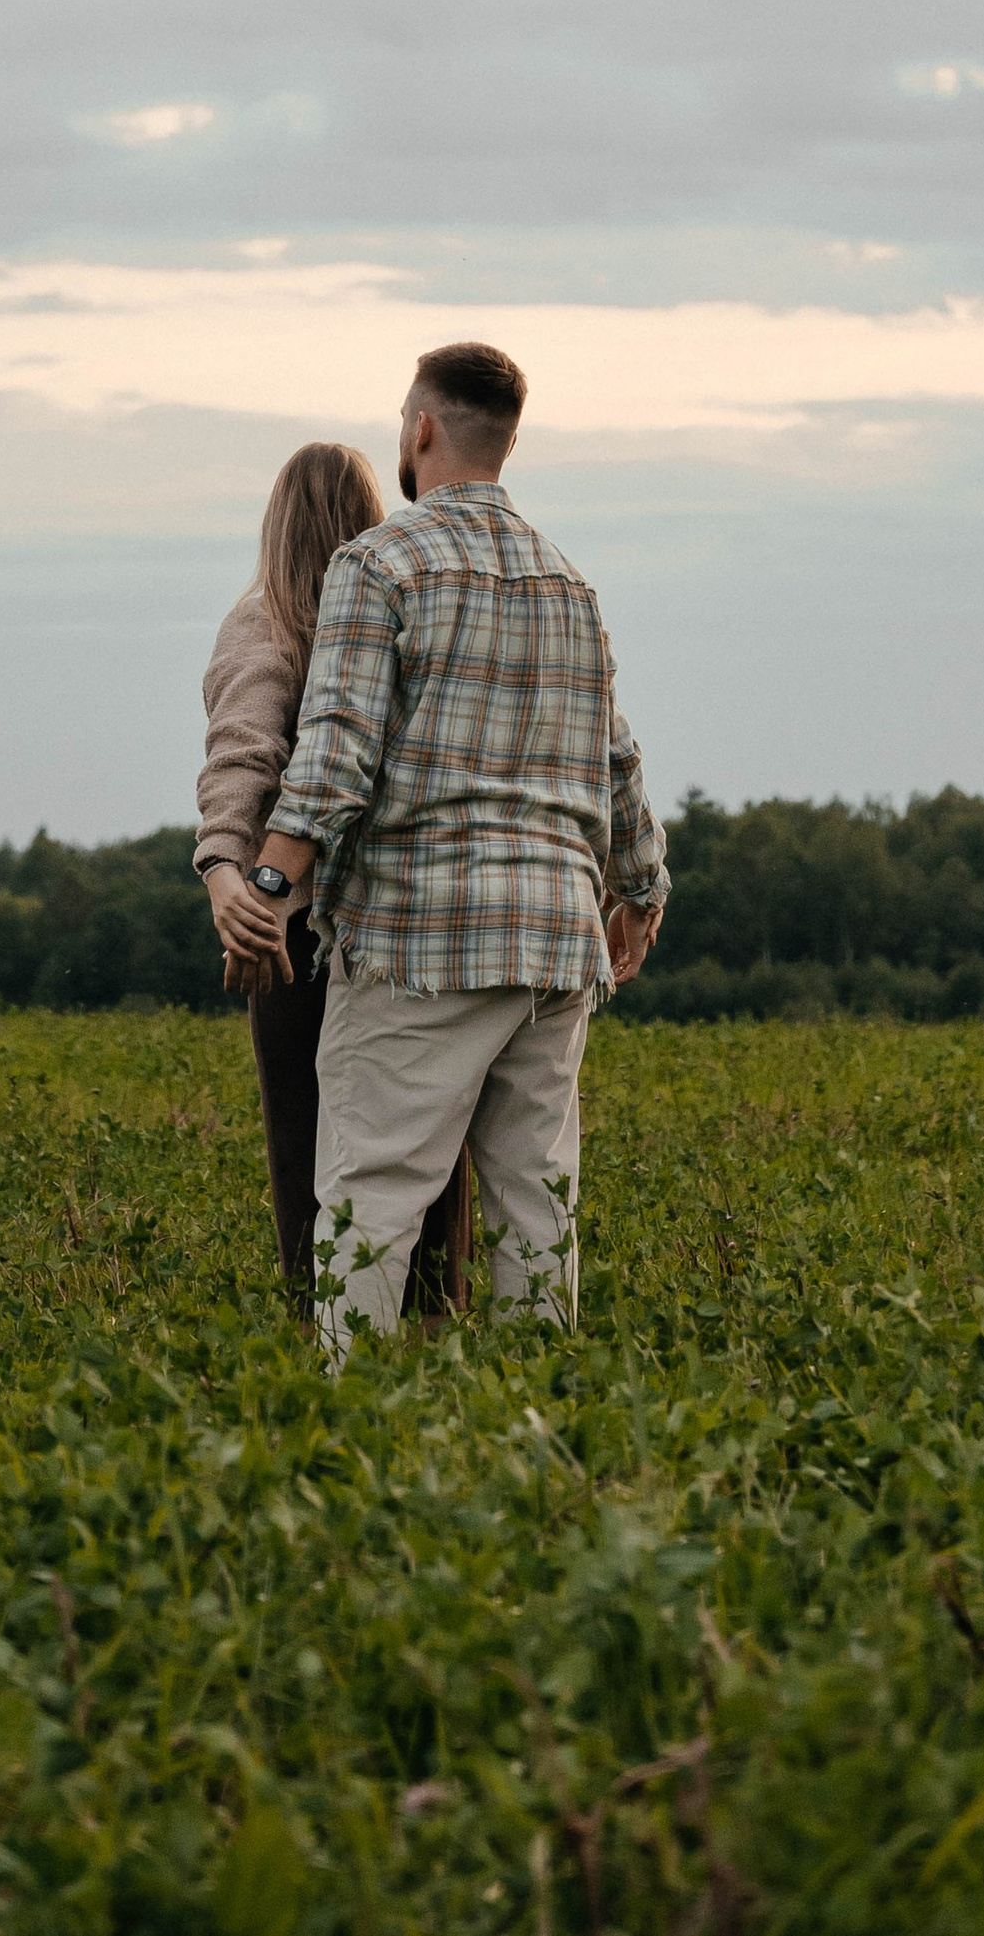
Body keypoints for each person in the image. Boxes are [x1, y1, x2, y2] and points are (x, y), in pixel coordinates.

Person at [236, 341, 668, 1361]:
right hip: (558, 940)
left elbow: (333, 760)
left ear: (422, 428)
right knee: (537, 1204)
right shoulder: (571, 582)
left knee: (371, 1193)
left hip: (423, 938)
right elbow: (615, 758)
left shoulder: (376, 564)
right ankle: (533, 1422)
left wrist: (263, 882)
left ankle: (351, 1424)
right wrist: (640, 890)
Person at [194, 441, 473, 1320]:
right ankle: (439, 1336)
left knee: (307, 1151)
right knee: (433, 1154)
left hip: (301, 932)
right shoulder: (409, 611)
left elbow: (244, 749)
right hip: (419, 928)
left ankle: (325, 1340)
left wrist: (228, 868)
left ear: (274, 522)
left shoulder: (264, 620)